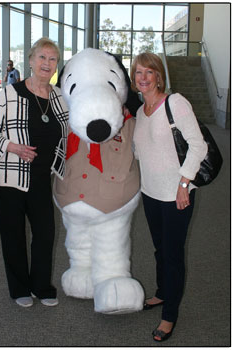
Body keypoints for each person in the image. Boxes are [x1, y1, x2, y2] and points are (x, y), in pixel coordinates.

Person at [0, 37, 69, 308]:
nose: (47, 63)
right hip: (10, 178)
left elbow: (74, 129)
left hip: (42, 178)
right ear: (30, 61)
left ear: (57, 65)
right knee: (13, 235)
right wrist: (12, 147)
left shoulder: (61, 98)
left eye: (52, 59)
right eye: (42, 57)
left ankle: (41, 286)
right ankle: (19, 288)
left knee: (45, 234)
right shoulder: (9, 94)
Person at [130, 52, 208, 341]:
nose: (143, 78)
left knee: (173, 254)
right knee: (160, 249)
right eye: (138, 73)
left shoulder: (175, 103)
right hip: (151, 192)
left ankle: (169, 316)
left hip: (177, 194)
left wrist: (184, 184)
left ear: (158, 76)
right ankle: (163, 293)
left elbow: (198, 146)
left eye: (149, 72)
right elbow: (142, 150)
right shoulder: (140, 112)